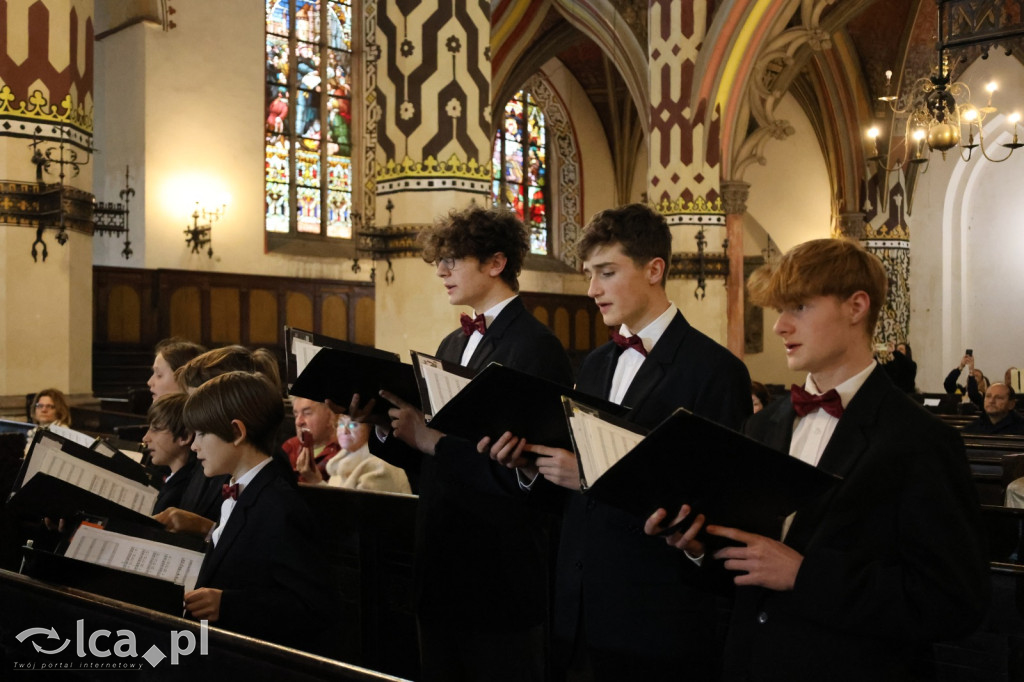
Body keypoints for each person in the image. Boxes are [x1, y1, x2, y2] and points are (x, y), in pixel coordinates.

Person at [647, 238, 989, 680]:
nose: (779, 327)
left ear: (856, 306)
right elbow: (751, 568)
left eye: (800, 308)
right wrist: (698, 549)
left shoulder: (920, 440)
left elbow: (954, 602)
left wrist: (806, 576)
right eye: (778, 311)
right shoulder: (764, 426)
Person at [484, 203, 751, 681]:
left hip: (656, 615)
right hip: (579, 609)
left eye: (606, 272)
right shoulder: (596, 363)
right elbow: (574, 489)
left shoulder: (715, 371)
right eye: (590, 274)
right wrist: (530, 468)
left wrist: (589, 475)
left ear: (654, 269)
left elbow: (712, 504)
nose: (592, 290)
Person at [364, 205, 574, 682]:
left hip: (497, 571)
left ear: (496, 263)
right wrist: (383, 425)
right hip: (441, 561)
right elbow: (429, 453)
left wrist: (434, 442)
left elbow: (529, 477)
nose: (441, 271)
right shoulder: (451, 345)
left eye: (453, 260)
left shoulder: (535, 346)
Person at [182, 371, 340, 655]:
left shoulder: (279, 507)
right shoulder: (238, 487)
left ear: (237, 432)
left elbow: (314, 608)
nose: (194, 445)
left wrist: (228, 604)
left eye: (202, 433)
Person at [298, 415, 411, 493]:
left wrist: (317, 482)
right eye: (341, 424)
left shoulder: (379, 467)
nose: (345, 430)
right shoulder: (338, 466)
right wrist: (316, 481)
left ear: (369, 429)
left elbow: (351, 516)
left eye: (353, 425)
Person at [143, 393, 197, 514]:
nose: (145, 438)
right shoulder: (176, 478)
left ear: (184, 436)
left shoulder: (180, 492)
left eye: (155, 429)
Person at [282, 397, 341, 480]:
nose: (298, 422)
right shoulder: (290, 446)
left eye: (307, 413)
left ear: (331, 416)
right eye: (296, 415)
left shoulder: (343, 451)